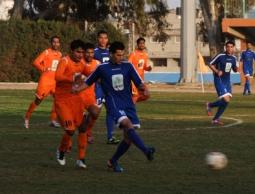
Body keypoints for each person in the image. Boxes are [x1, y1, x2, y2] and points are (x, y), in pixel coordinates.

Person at [73, 41, 155, 172]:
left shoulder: (128, 66)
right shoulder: (102, 68)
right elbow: (88, 82)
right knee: (128, 126)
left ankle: (113, 161)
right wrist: (77, 89)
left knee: (128, 138)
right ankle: (146, 150)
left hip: (128, 104)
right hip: (113, 104)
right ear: (111, 54)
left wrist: (144, 89)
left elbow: (139, 82)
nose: (120, 57)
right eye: (118, 55)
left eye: (122, 55)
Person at [55, 39, 87, 168]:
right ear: (72, 51)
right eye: (78, 52)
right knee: (70, 130)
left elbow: (87, 76)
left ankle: (81, 159)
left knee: (83, 127)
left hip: (76, 99)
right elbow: (57, 76)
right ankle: (61, 150)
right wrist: (72, 78)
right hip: (62, 100)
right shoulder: (65, 61)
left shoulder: (82, 64)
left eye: (82, 52)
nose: (81, 55)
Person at [24, 36, 62, 129]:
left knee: (58, 100)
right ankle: (27, 117)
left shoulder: (60, 54)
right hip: (45, 81)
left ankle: (53, 120)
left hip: (55, 82)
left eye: (57, 42)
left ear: (59, 44)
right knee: (38, 100)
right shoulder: (46, 52)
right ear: (51, 43)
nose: (55, 44)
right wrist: (43, 69)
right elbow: (36, 62)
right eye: (54, 42)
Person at [94, 30, 120, 144]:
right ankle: (86, 132)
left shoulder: (111, 52)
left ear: (108, 39)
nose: (103, 40)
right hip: (98, 86)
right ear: (98, 39)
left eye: (105, 38)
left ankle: (110, 137)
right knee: (94, 112)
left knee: (111, 110)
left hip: (109, 87)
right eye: (101, 38)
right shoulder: (94, 52)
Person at [206, 40, 238, 125]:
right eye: (228, 47)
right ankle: (210, 105)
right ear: (225, 47)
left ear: (233, 48)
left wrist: (237, 68)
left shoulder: (234, 58)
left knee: (226, 102)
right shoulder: (220, 56)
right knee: (226, 99)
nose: (229, 48)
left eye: (231, 47)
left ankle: (215, 119)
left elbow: (234, 69)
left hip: (227, 81)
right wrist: (216, 71)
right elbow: (210, 63)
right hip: (219, 80)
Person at [78, 43, 101, 145]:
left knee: (95, 113)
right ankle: (67, 145)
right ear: (84, 53)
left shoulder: (97, 63)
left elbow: (102, 77)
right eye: (88, 52)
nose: (90, 55)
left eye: (92, 52)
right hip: (77, 97)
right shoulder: (78, 63)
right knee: (78, 126)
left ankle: (87, 131)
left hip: (90, 96)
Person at [128, 37, 152, 103]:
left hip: (141, 80)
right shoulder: (133, 54)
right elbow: (128, 65)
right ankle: (131, 106)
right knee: (135, 96)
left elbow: (143, 67)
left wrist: (148, 68)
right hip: (133, 79)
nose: (142, 45)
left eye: (143, 43)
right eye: (140, 43)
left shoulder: (145, 55)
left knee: (146, 95)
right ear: (137, 44)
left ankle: (129, 102)